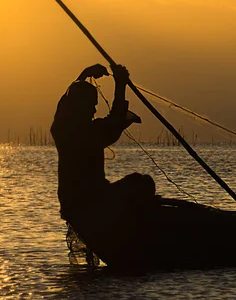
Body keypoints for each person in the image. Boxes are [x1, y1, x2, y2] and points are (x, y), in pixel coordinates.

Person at [50, 63, 156, 264]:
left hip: (72, 204)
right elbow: (115, 119)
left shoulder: (61, 130)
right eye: (91, 104)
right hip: (93, 201)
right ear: (80, 107)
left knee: (137, 184)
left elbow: (63, 106)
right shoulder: (88, 133)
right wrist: (120, 84)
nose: (94, 108)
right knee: (142, 183)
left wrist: (83, 75)